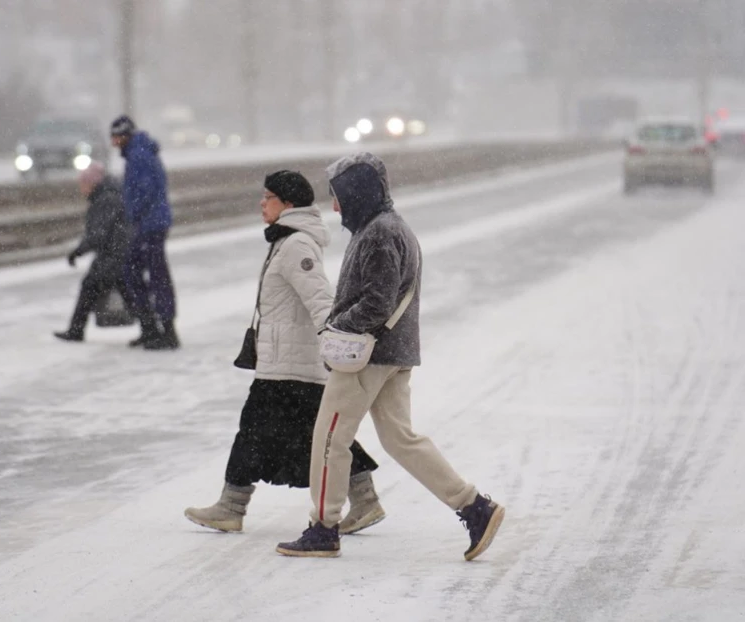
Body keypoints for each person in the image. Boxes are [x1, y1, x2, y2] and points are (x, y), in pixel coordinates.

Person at [276, 153, 505, 559]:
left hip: (368, 356)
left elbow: (377, 303)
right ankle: (474, 507)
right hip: (393, 353)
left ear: (358, 194)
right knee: (401, 440)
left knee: (330, 438)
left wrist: (336, 327)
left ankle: (323, 527)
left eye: (339, 197)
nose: (334, 206)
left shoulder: (380, 234)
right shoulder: (386, 227)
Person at [185, 170, 386, 535]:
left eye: (268, 197)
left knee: (264, 432)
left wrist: (335, 345)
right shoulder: (286, 241)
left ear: (288, 203)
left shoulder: (295, 245)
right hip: (285, 363)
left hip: (293, 367)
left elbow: (321, 300)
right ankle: (364, 499)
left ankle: (231, 507)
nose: (261, 203)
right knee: (315, 436)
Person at [109, 114, 180, 350]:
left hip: (150, 225)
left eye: (115, 138)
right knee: (140, 272)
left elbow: (144, 191)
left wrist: (133, 213)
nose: (114, 143)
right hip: (151, 223)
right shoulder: (138, 152)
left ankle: (163, 331)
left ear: (123, 136)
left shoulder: (138, 155)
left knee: (150, 275)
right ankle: (152, 328)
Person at [54, 161, 129, 343]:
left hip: (113, 256)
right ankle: (151, 328)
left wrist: (77, 252)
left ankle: (76, 331)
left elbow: (98, 233)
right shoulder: (110, 195)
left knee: (90, 287)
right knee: (129, 292)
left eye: (83, 184)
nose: (81, 188)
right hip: (119, 254)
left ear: (92, 183)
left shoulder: (105, 200)